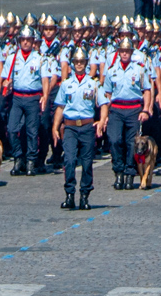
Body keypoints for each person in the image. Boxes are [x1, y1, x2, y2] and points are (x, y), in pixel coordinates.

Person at [52, 46, 107, 210]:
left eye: (82, 62)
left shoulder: (93, 84)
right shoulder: (66, 84)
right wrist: (55, 127)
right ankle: (69, 194)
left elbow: (104, 104)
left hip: (87, 126)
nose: (79, 65)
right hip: (70, 127)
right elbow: (60, 107)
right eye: (76, 62)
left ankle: (84, 195)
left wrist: (102, 120)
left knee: (87, 162)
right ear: (72, 64)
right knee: (69, 160)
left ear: (86, 63)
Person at [103, 38, 150, 191]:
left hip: (134, 109)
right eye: (122, 51)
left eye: (127, 51)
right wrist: (105, 115)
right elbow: (108, 94)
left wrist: (145, 110)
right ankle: (118, 172)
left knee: (132, 144)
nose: (124, 54)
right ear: (118, 52)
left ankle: (130, 174)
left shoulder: (139, 69)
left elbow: (146, 90)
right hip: (116, 109)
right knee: (114, 139)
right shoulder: (112, 70)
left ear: (131, 52)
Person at [3, 24, 47, 177]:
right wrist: (5, 84)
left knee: (32, 132)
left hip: (33, 98)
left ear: (33, 41)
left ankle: (31, 161)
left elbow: (45, 80)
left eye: (29, 40)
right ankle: (18, 157)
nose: (26, 43)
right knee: (12, 129)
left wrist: (45, 96)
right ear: (19, 41)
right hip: (17, 97)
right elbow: (5, 78)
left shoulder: (39, 59)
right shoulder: (12, 58)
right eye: (23, 40)